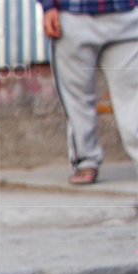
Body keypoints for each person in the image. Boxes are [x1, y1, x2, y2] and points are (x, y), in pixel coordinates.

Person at [40, 0, 138, 184]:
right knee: (77, 98)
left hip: (126, 16)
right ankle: (86, 161)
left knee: (134, 99)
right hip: (71, 17)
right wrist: (48, 6)